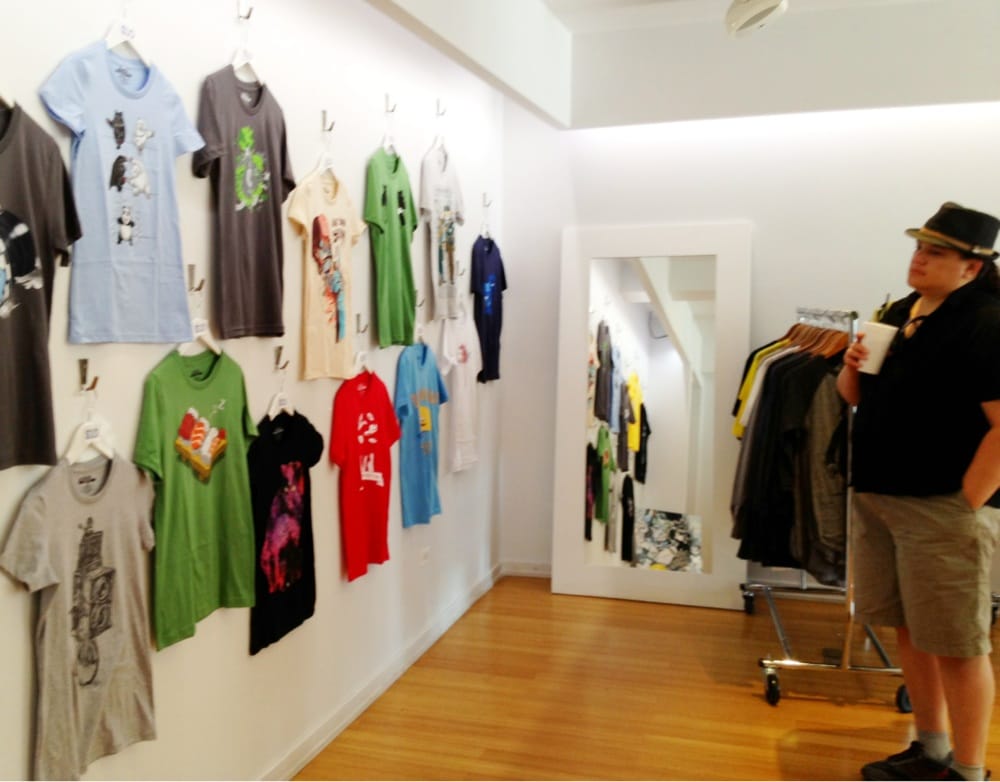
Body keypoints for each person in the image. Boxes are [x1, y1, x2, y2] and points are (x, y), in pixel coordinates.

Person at [837, 202, 1000, 782]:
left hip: (941, 508)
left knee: (958, 643)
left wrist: (966, 503)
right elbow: (856, 397)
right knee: (909, 629)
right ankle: (930, 748)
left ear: (972, 267)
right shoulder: (900, 311)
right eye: (918, 246)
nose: (920, 258)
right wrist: (852, 364)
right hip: (880, 498)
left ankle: (969, 771)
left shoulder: (985, 322)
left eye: (936, 251)